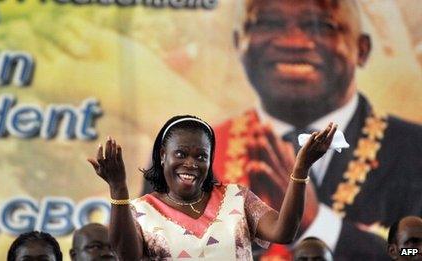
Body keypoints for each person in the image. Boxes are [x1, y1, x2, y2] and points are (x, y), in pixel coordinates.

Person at [213, 0, 422, 259]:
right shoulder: (198, 154)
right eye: (269, 23)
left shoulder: (415, 151)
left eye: (322, 26)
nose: (293, 43)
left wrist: (317, 223)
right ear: (238, 42)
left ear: (362, 49)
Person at [88, 115, 337, 259]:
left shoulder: (237, 198)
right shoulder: (141, 211)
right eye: (181, 154)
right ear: (163, 155)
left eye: (200, 157)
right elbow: (126, 257)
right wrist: (118, 187)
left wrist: (301, 169)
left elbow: (283, 232)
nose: (191, 164)